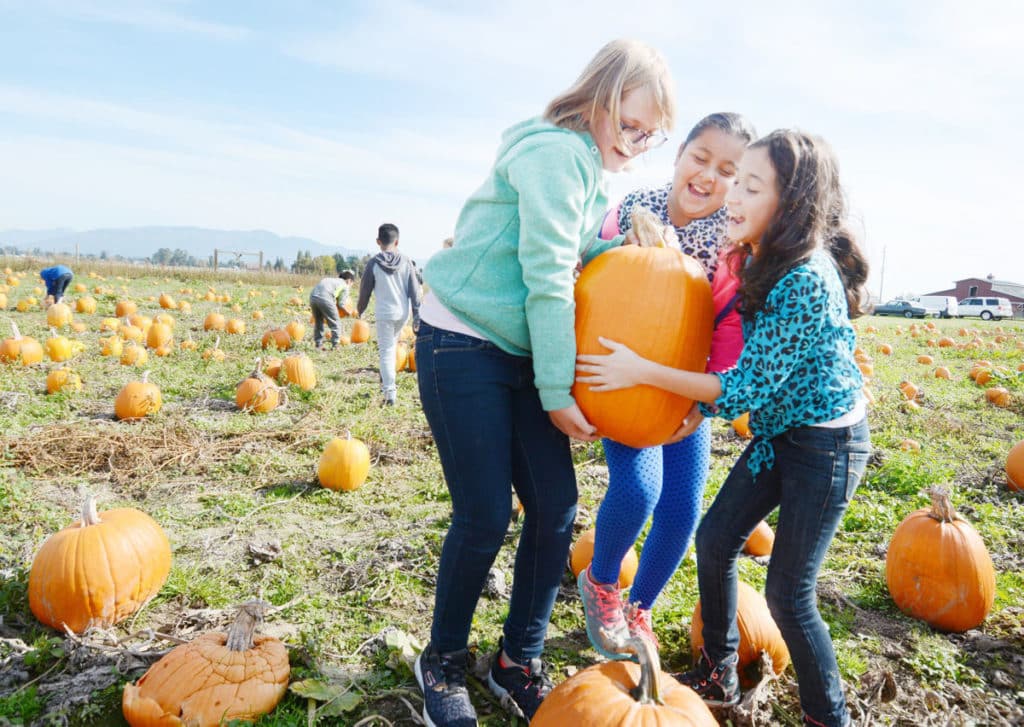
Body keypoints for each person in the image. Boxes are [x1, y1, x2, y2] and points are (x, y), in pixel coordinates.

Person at [413, 38, 676, 726]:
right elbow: (549, 275)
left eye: (652, 135)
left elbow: (578, 251)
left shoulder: (585, 165)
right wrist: (559, 391)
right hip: (462, 339)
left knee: (557, 506)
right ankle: (440, 661)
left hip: (517, 348)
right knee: (484, 514)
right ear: (597, 98)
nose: (638, 142)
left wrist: (620, 250)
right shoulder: (556, 155)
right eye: (630, 124)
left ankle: (516, 660)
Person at [577, 129, 871, 727]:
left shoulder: (804, 280)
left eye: (750, 184)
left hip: (826, 446)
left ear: (790, 206)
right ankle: (719, 669)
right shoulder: (760, 255)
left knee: (789, 594)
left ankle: (828, 715)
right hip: (780, 434)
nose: (732, 194)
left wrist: (643, 371)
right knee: (714, 540)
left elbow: (740, 389)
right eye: (736, 182)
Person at [578, 113, 756, 661]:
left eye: (727, 170)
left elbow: (728, 329)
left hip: (683, 387)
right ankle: (602, 582)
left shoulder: (731, 247)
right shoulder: (630, 214)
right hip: (621, 376)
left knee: (682, 510)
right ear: (679, 155)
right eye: (700, 158)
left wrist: (705, 405)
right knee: (638, 490)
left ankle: (640, 609)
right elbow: (584, 275)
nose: (707, 176)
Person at [356, 223, 421, 406]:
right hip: (402, 313)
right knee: (391, 348)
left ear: (378, 242)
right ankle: (387, 382)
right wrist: (417, 314)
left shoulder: (374, 263)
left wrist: (360, 309)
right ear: (397, 241)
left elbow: (365, 289)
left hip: (385, 314)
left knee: (386, 351)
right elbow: (415, 290)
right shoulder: (407, 262)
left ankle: (389, 392)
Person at [309, 269, 355, 349]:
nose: (350, 286)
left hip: (313, 297)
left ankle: (318, 344)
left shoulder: (331, 280)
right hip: (325, 298)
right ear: (349, 281)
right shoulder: (345, 285)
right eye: (351, 284)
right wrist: (348, 312)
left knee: (319, 321)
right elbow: (341, 304)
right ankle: (335, 345)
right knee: (335, 322)